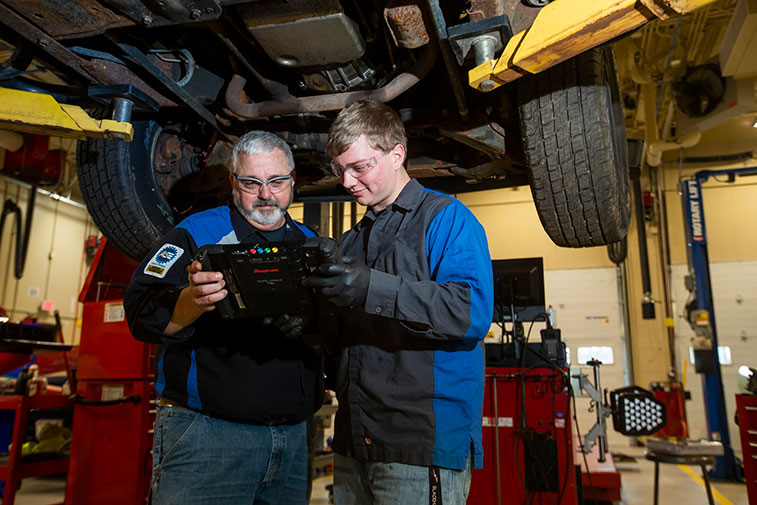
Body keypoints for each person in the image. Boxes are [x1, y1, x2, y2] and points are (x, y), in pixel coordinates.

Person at [303, 100, 494, 505]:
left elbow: (470, 311)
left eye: (360, 167)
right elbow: (350, 346)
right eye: (341, 171)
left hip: (418, 449)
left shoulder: (447, 219)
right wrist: (308, 329)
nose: (348, 182)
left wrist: (372, 288)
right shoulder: (353, 240)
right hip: (355, 442)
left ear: (397, 154)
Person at [124, 130, 323, 505]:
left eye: (277, 181)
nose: (266, 194)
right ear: (233, 182)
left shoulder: (309, 241)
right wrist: (192, 301)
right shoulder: (196, 233)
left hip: (294, 442)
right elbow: (140, 312)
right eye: (251, 182)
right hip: (208, 440)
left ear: (293, 180)